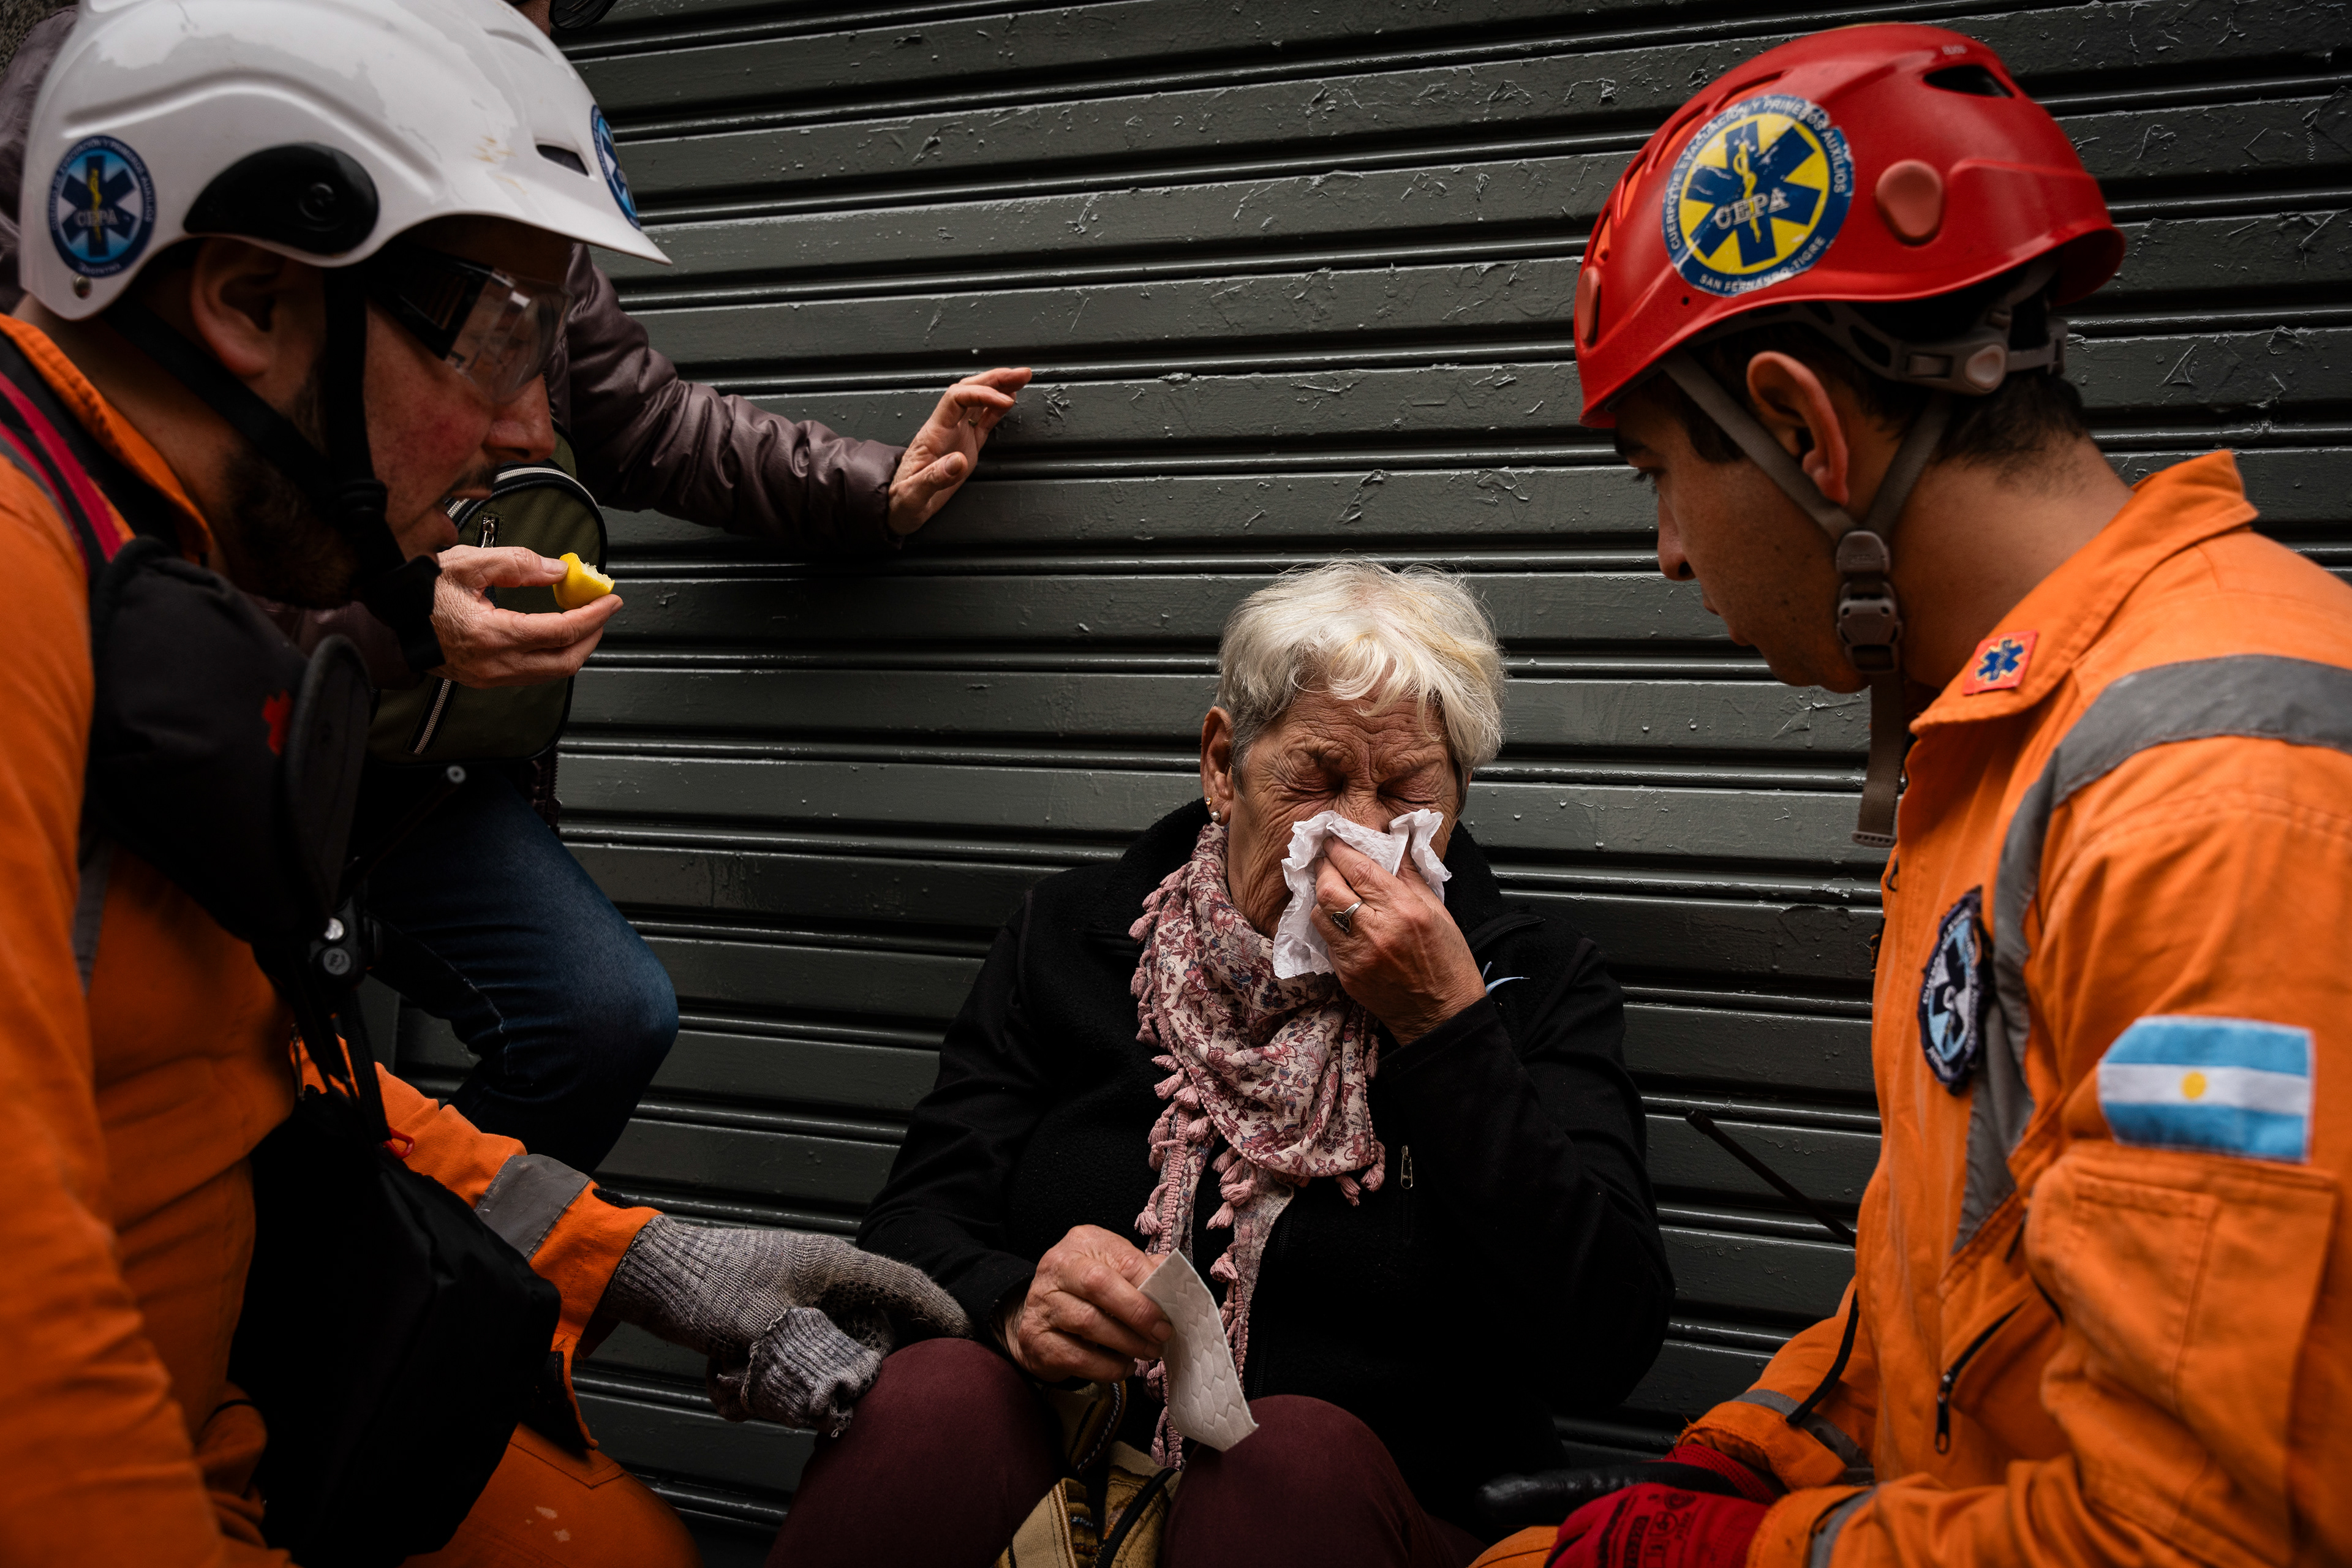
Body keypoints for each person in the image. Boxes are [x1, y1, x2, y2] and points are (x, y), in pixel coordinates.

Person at [0, 1, 966, 1560]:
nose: (535, 428)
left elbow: (225, 1064)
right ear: (251, 299)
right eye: (505, 342)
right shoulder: (24, 582)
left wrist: (623, 1252)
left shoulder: (150, 567)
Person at [1499, 23, 2352, 1568]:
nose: (1672, 554)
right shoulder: (2010, 748)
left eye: (1656, 474)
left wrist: (1731, 1560)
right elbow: (1960, 1284)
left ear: (1808, 430)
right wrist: (1752, 1454)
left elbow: (2202, 1539)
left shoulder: (2208, 807)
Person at [770, 562, 1675, 1567]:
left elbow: (1601, 1344)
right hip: (1067, 1476)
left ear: (1458, 803)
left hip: (1351, 1519)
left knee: (1283, 1459)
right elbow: (907, 1231)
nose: (1363, 838)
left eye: (1408, 793)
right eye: (1319, 781)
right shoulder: (1073, 938)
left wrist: (1446, 1030)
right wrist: (1015, 1299)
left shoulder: (1529, 987)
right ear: (1221, 763)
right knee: (934, 1394)